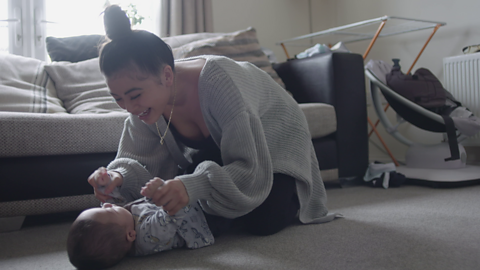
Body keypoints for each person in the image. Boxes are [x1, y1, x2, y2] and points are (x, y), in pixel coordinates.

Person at [88, 4, 335, 237]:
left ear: (166, 75)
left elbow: (251, 169)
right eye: (118, 98)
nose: (129, 107)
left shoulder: (220, 84)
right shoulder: (144, 107)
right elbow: (134, 159)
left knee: (265, 218)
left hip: (273, 146)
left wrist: (193, 186)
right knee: (187, 202)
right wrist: (116, 177)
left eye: (134, 95)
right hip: (222, 152)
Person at [67, 178, 215, 270]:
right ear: (130, 235)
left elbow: (116, 202)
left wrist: (107, 185)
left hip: (192, 205)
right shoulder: (148, 237)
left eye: (101, 207)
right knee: (228, 209)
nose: (106, 206)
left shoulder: (124, 223)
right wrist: (155, 194)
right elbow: (171, 213)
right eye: (109, 211)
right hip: (203, 220)